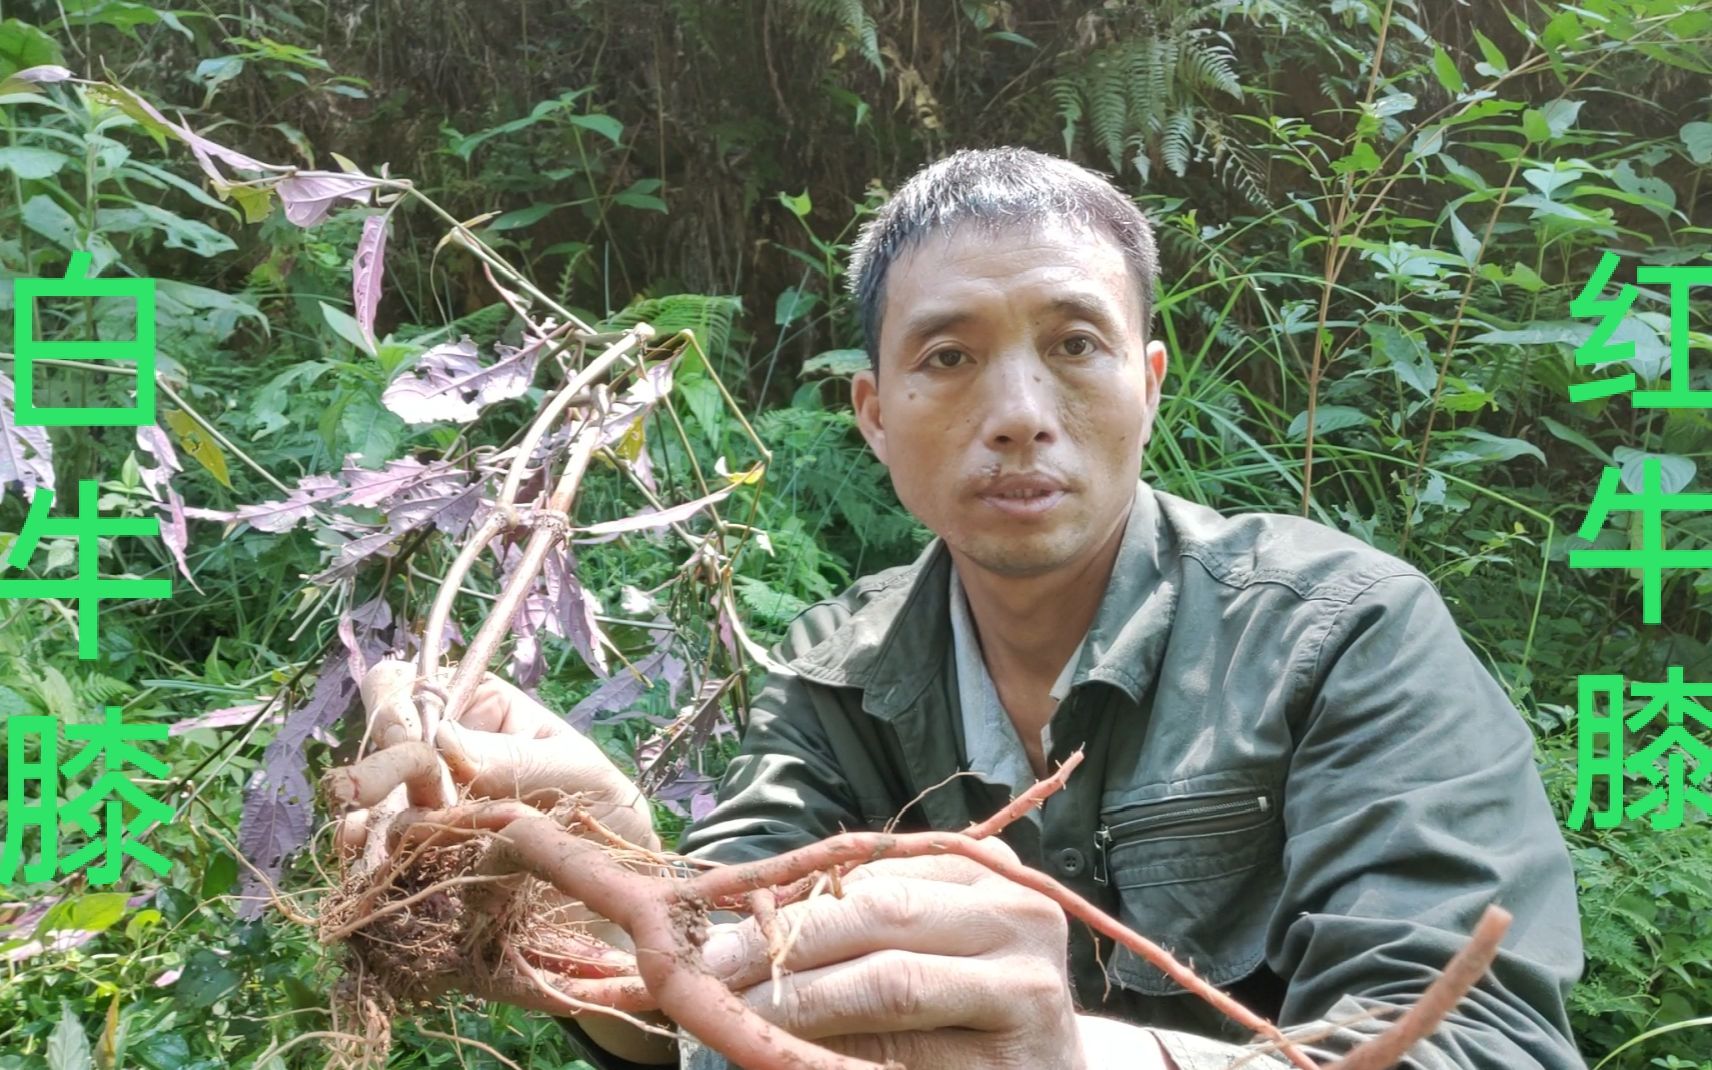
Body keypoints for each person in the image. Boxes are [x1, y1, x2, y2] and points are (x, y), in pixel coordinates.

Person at [337, 147, 1587, 1070]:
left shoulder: (1345, 633)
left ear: (1146, 383)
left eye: (1074, 345)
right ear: (874, 417)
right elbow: (716, 1000)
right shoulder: (831, 674)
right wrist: (604, 882)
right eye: (946, 356)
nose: (1019, 411)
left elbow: (1485, 1040)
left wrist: (1077, 1057)